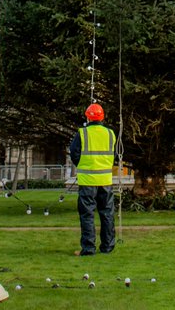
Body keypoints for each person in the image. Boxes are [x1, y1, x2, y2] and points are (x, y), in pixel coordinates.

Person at [68, 102, 117, 256]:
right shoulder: (110, 134)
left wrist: (83, 165)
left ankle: (89, 248)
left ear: (87, 117)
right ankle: (107, 246)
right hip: (105, 180)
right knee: (107, 213)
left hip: (88, 180)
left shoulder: (82, 133)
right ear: (102, 117)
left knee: (87, 214)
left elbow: (74, 153)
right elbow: (113, 155)